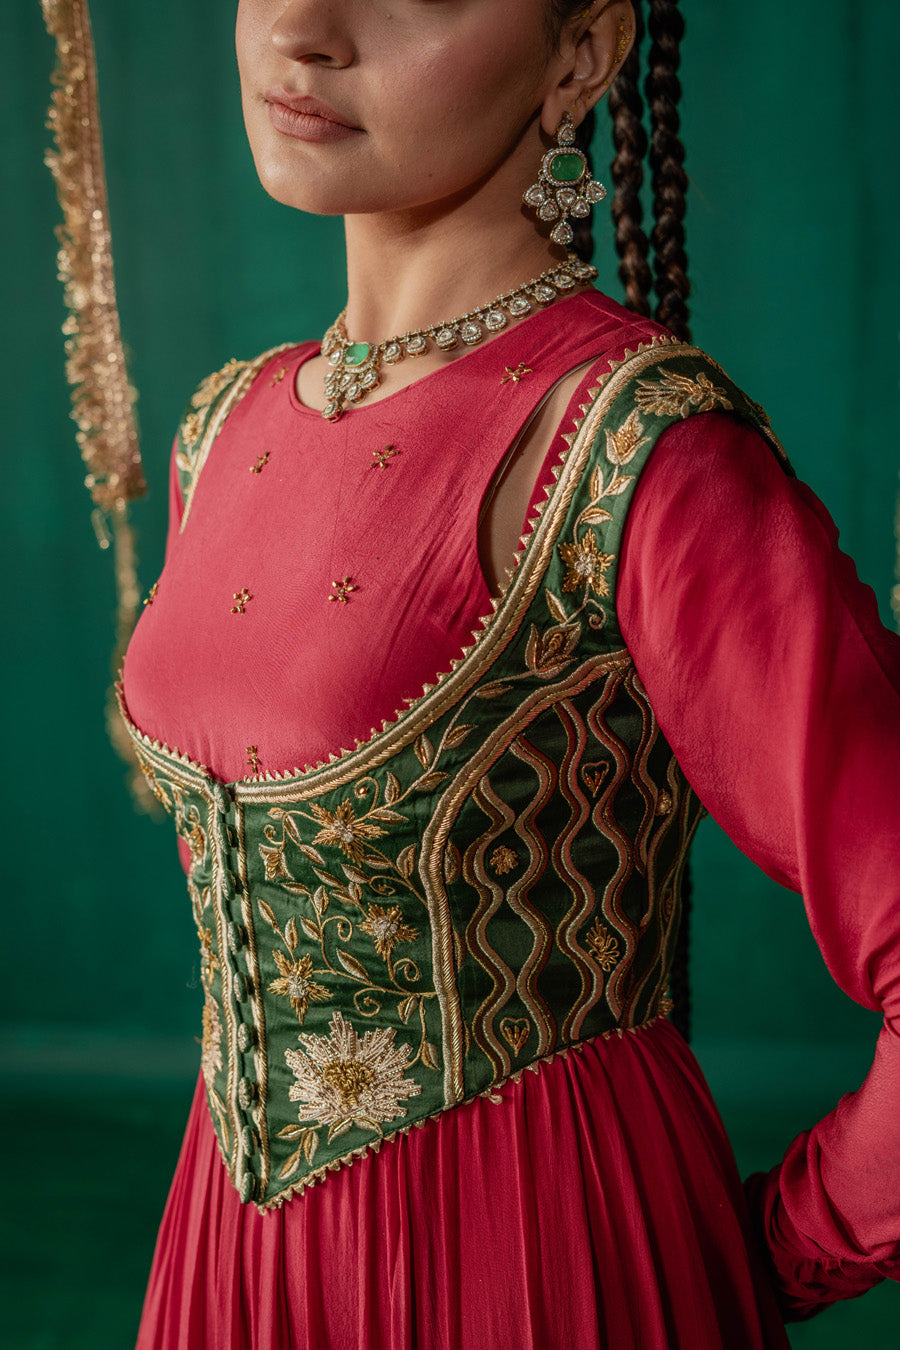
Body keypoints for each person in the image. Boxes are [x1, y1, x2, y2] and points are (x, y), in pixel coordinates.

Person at [116, 0, 900, 1345]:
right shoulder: (222, 424)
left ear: (582, 53)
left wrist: (785, 1246)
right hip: (230, 1261)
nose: (299, 27)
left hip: (536, 1255)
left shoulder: (638, 453)